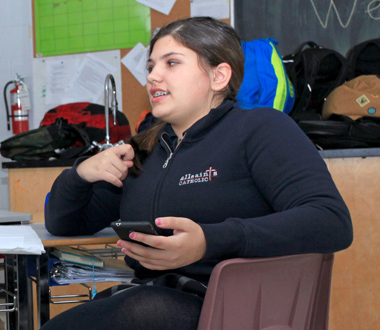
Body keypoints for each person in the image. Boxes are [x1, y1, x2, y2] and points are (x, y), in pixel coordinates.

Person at [41, 17, 353, 330]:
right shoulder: (144, 148)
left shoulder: (261, 129)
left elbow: (330, 220)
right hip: (150, 302)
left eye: (171, 63)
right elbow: (65, 223)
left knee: (136, 310)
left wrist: (209, 241)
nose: (153, 76)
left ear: (219, 76)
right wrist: (79, 174)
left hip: (240, 309)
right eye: (150, 67)